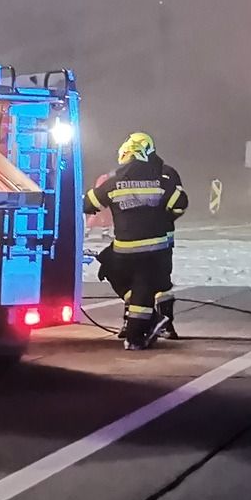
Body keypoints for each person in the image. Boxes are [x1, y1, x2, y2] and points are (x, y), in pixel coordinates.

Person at [83, 132, 188, 348]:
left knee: (110, 267)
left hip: (125, 250)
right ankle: (147, 327)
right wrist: (160, 218)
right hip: (157, 249)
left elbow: (88, 204)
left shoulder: (114, 182)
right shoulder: (163, 179)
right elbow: (180, 203)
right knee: (150, 286)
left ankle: (140, 322)